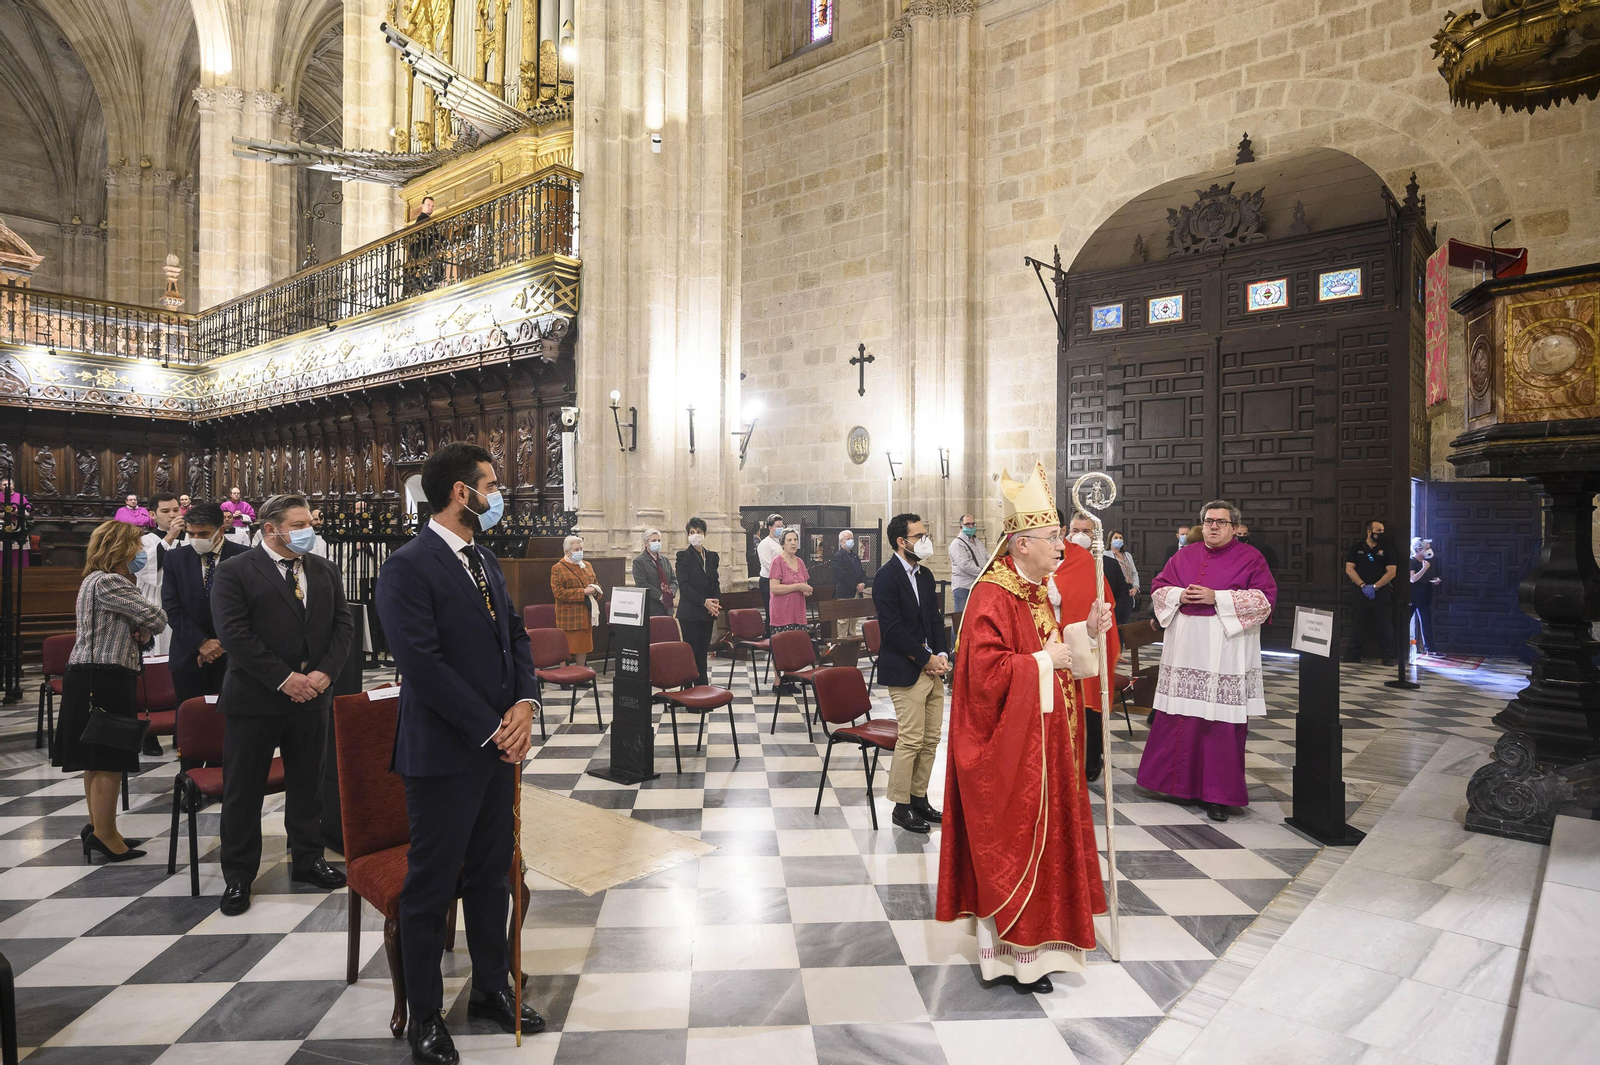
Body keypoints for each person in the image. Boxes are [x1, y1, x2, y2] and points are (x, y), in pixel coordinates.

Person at [375, 443, 544, 1064]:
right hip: (446, 752)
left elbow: (516, 635)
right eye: (490, 485)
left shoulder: (484, 557)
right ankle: (425, 1016)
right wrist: (491, 727)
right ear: (458, 492)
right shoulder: (407, 567)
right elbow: (423, 664)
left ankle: (491, 990)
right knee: (432, 885)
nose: (499, 496)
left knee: (489, 875)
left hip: (499, 748)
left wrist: (525, 705)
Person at [937, 463, 1112, 994]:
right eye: (1053, 538)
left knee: (1050, 836)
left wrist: (1086, 632)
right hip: (1009, 751)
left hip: (1047, 743)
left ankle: (1044, 943)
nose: (1062, 546)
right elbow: (983, 676)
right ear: (1020, 544)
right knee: (1014, 841)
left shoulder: (1035, 588)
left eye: (1062, 536)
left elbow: (1054, 651)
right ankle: (1014, 957)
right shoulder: (993, 595)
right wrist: (1042, 660)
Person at [210, 493, 353, 916]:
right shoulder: (236, 571)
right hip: (255, 698)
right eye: (299, 523)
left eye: (310, 521)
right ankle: (239, 875)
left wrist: (325, 673)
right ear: (271, 529)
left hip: (313, 696)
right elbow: (234, 634)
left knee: (309, 784)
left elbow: (343, 625)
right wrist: (284, 679)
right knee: (244, 790)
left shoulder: (324, 569)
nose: (310, 529)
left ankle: (308, 859)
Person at [1136, 500, 1277, 823]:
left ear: (1234, 527)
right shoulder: (1184, 555)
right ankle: (1177, 787)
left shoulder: (1251, 558)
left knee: (1219, 725)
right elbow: (1159, 589)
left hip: (1223, 653)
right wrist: (1178, 596)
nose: (1214, 527)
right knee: (1180, 718)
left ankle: (1218, 796)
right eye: (1209, 521)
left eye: (1221, 522)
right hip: (1185, 649)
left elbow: (1265, 600)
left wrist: (1219, 598)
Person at [51, 520, 167, 862]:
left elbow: (135, 626)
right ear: (120, 549)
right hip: (103, 677)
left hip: (93, 674)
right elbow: (157, 617)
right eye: (136, 546)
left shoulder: (94, 581)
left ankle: (103, 828)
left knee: (96, 759)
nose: (140, 553)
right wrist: (145, 625)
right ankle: (104, 835)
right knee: (108, 759)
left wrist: (139, 631)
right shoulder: (111, 581)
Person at [871, 512, 950, 834]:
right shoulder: (886, 577)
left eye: (925, 534)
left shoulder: (925, 575)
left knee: (931, 739)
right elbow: (891, 629)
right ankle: (900, 806)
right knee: (912, 739)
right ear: (902, 541)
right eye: (919, 536)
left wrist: (942, 653)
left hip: (931, 668)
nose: (925, 540)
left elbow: (934, 618)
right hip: (905, 669)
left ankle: (919, 798)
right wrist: (924, 658)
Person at [1053, 523, 1123, 783]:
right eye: (1076, 528)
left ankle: (1088, 761)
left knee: (1086, 699)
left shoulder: (1082, 560)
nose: (1078, 533)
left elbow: (1101, 601)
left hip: (1081, 642)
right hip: (1041, 646)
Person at [162, 503, 248, 708]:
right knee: (189, 725)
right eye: (191, 534)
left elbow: (252, 607)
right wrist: (200, 642)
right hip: (189, 652)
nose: (196, 539)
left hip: (234, 655)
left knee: (232, 725)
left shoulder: (246, 556)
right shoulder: (175, 558)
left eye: (203, 533)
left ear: (221, 530)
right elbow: (172, 606)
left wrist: (222, 644)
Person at [136, 492, 185, 659]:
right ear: (152, 515)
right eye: (165, 511)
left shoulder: (191, 539)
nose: (172, 515)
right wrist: (170, 537)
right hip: (156, 602)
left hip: (184, 605)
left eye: (176, 510)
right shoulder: (143, 541)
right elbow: (144, 569)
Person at [1344, 519, 1397, 665]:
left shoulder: (1387, 549)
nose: (1381, 534)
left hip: (1381, 591)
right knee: (1357, 622)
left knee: (1384, 623)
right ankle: (1353, 654)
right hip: (1360, 591)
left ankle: (1387, 656)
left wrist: (1375, 587)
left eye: (1382, 531)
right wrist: (1362, 585)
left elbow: (1391, 572)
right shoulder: (1357, 548)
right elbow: (1349, 569)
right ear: (1369, 532)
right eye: (1378, 531)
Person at [676, 518, 721, 685]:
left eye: (699, 532)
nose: (695, 536)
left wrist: (715, 603)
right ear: (688, 535)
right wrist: (704, 602)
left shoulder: (711, 557)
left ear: (705, 534)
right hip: (690, 613)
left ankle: (702, 688)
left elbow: (715, 582)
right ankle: (689, 690)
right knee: (691, 654)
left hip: (707, 613)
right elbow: (684, 586)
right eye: (692, 533)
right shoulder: (683, 557)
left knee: (702, 654)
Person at [1067, 514, 1130, 622]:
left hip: (1103, 627)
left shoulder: (1110, 565)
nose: (1080, 535)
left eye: (1086, 531)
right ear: (1069, 532)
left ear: (1095, 534)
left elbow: (1123, 597)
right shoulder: (1058, 562)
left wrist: (1111, 619)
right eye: (1075, 531)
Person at [551, 534, 602, 667]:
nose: (580, 552)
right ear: (567, 552)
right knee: (566, 647)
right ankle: (564, 675)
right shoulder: (558, 568)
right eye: (576, 549)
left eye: (581, 549)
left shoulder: (587, 565)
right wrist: (583, 592)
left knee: (583, 646)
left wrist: (595, 590)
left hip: (585, 614)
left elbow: (596, 584)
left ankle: (581, 673)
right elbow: (559, 593)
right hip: (569, 616)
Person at [768, 528, 812, 636]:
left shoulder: (800, 562)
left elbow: (804, 584)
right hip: (782, 614)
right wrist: (798, 586)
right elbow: (774, 588)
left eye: (795, 540)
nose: (793, 543)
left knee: (799, 648)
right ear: (782, 544)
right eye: (789, 540)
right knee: (785, 649)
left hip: (798, 614)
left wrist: (807, 590)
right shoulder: (777, 562)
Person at [632, 528, 678, 618]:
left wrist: (671, 592)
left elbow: (673, 579)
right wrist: (661, 596)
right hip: (651, 609)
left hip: (667, 608)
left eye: (659, 540)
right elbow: (642, 584)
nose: (657, 543)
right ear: (646, 543)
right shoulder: (639, 562)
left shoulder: (665, 560)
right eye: (653, 540)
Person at [1410, 537, 1443, 657]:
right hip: (1413, 596)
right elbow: (1413, 579)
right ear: (1418, 549)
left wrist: (1434, 581)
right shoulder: (1412, 561)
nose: (1430, 550)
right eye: (1427, 548)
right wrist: (1424, 569)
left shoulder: (1427, 563)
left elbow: (1426, 578)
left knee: (1426, 622)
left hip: (1425, 595)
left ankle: (1430, 649)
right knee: (1406, 621)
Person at [948, 514, 987, 614]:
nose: (971, 526)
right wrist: (984, 572)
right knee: (961, 618)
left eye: (973, 524)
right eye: (967, 524)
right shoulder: (957, 544)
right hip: (964, 587)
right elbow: (965, 565)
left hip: (977, 585)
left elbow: (986, 556)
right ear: (961, 527)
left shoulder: (977, 541)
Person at [756, 514, 785, 625]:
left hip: (782, 580)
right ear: (770, 528)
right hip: (768, 581)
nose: (780, 529)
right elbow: (769, 564)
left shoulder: (783, 542)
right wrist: (783, 573)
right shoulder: (764, 544)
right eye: (778, 526)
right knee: (771, 612)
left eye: (782, 526)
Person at [1107, 528, 1140, 621]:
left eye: (1120, 538)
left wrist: (1135, 587)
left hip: (1128, 591)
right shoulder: (1105, 554)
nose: (1118, 539)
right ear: (1110, 541)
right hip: (1115, 591)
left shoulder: (1127, 555)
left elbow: (1134, 573)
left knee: (1125, 619)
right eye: (1116, 537)